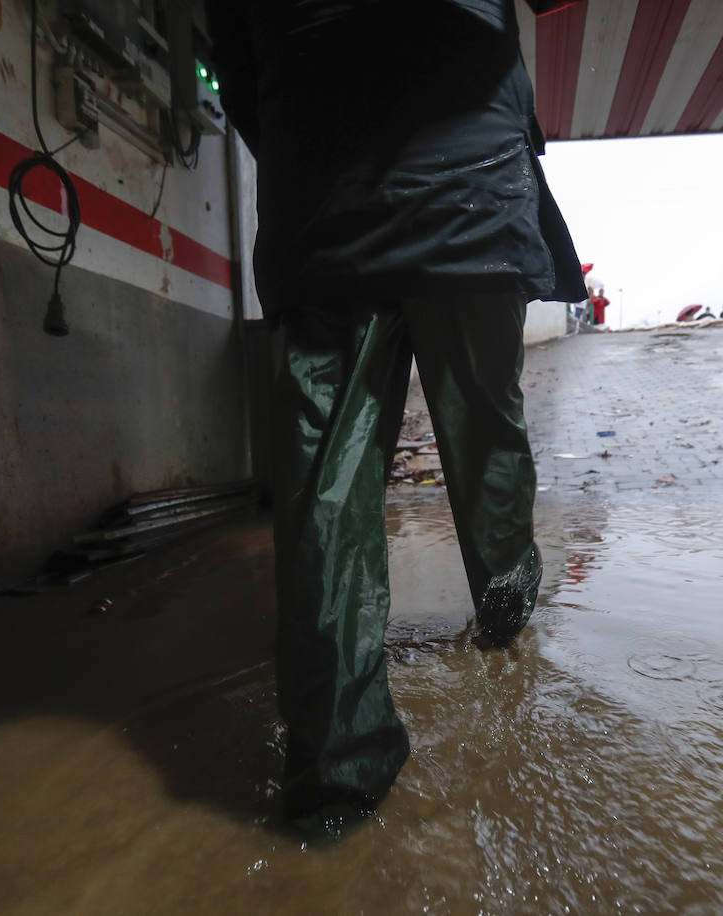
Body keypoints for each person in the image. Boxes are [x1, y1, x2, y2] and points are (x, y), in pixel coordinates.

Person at [207, 0, 586, 833]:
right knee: (485, 432)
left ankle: (333, 778)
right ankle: (504, 608)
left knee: (326, 491)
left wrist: (322, 152)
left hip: (325, 209)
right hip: (474, 199)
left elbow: (236, 71)